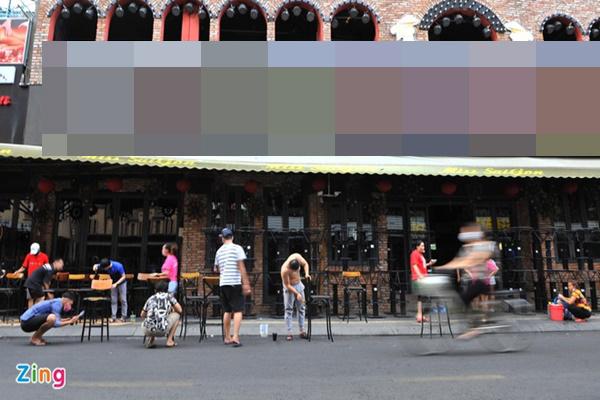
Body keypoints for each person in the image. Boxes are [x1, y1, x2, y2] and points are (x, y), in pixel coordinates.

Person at [436, 223, 496, 339]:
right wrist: (443, 267)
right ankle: (474, 325)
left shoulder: (484, 245)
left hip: (482, 281)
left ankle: (474, 328)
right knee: (466, 301)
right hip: (473, 281)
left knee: (462, 301)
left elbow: (471, 260)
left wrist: (455, 265)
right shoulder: (467, 247)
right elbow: (459, 260)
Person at [214, 228, 251, 347]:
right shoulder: (237, 248)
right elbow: (241, 266)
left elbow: (216, 269)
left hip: (223, 283)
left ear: (222, 238)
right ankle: (235, 336)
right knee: (238, 310)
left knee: (227, 310)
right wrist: (246, 283)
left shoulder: (219, 251)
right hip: (234, 282)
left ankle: (227, 337)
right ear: (232, 237)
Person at [141, 281, 183, 348]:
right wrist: (171, 310)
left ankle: (151, 340)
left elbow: (142, 315)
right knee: (177, 315)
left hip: (147, 330)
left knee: (152, 316)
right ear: (167, 290)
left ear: (155, 290)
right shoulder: (169, 297)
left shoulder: (151, 298)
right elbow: (180, 310)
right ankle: (169, 340)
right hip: (162, 330)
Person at [280, 253, 311, 341]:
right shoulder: (284, 270)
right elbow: (287, 285)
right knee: (288, 309)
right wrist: (297, 294)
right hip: (289, 288)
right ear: (290, 268)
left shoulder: (297, 257)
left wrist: (307, 274)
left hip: (299, 284)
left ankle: (302, 331)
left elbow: (305, 264)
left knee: (301, 308)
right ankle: (289, 332)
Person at [92, 258, 128, 322]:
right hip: (113, 282)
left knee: (123, 299)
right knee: (113, 299)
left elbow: (124, 276)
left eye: (105, 268)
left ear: (108, 266)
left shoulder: (118, 266)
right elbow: (95, 265)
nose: (104, 269)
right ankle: (113, 317)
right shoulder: (104, 264)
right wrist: (94, 267)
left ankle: (124, 317)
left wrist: (116, 284)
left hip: (121, 282)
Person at [411, 241, 436, 323]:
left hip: (423, 278)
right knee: (425, 297)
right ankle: (420, 315)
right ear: (417, 246)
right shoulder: (414, 254)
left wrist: (429, 263)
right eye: (422, 246)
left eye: (424, 246)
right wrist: (420, 276)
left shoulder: (420, 255)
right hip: (419, 278)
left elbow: (422, 266)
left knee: (422, 297)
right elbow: (414, 265)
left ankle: (420, 315)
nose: (423, 247)